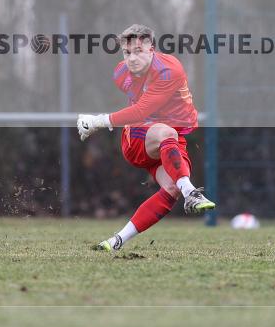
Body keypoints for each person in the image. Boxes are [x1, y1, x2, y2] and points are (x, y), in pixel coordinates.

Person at [77, 24, 215, 251]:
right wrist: (99, 121)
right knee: (167, 133)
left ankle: (116, 241)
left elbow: (143, 108)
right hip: (140, 138)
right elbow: (140, 112)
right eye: (127, 52)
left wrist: (97, 121)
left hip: (166, 139)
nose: (132, 58)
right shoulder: (121, 73)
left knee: (171, 189)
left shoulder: (169, 71)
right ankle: (192, 193)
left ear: (152, 49)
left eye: (139, 51)